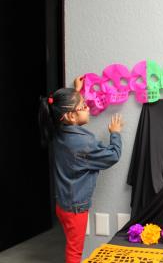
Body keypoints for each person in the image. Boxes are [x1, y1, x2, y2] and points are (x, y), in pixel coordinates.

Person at [38, 76, 123, 263]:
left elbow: (62, 105)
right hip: (75, 209)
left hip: (62, 204)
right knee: (75, 251)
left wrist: (77, 91)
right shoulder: (84, 143)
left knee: (71, 242)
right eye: (84, 106)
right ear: (70, 116)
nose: (88, 108)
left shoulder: (58, 130)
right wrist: (115, 134)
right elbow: (113, 156)